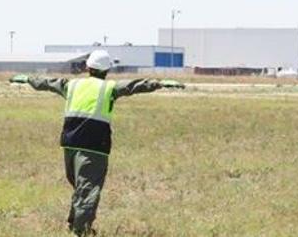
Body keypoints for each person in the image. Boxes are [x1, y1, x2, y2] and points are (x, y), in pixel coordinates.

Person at [9, 50, 184, 236]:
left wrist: (28, 79)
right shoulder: (109, 88)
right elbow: (134, 86)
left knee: (81, 187)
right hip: (94, 147)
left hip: (69, 145)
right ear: (107, 70)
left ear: (87, 68)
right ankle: (81, 231)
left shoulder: (71, 85)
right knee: (88, 190)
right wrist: (158, 83)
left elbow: (47, 83)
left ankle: (73, 223)